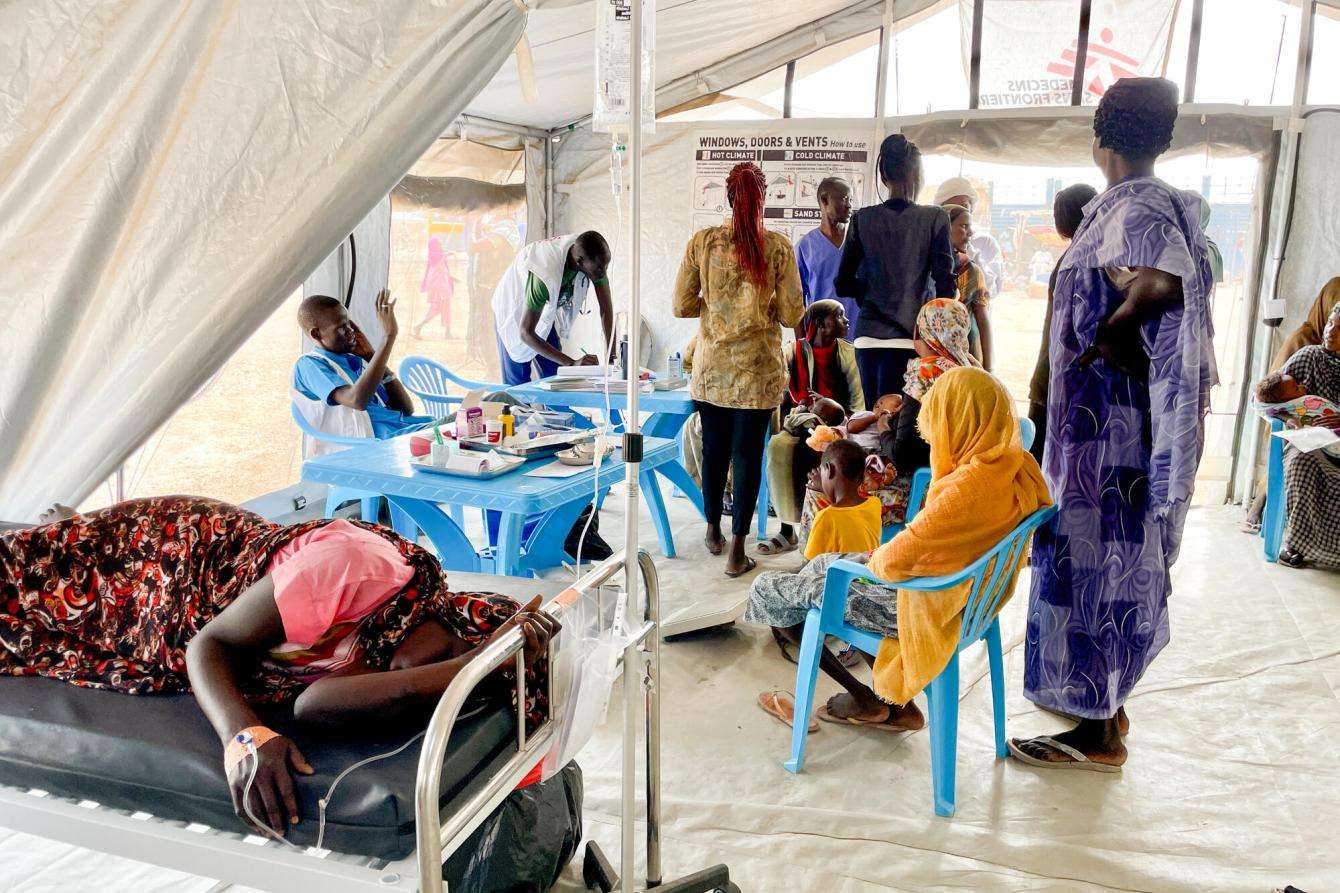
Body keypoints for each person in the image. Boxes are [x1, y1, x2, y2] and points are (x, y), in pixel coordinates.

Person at [0, 497, 558, 836]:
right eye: (439, 658)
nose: (401, 679)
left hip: (215, 605)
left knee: (40, 620)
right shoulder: (353, 573)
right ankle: (65, 528)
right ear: (450, 614)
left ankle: (61, 528)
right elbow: (208, 646)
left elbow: (316, 706)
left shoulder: (391, 651)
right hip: (178, 557)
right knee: (37, 572)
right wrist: (243, 735)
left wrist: (459, 672)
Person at [1013, 77, 1217, 772]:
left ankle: (1100, 731)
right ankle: (1101, 708)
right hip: (1098, 436)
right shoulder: (1146, 208)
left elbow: (1163, 283)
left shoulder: (1137, 213)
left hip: (1110, 444)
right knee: (1095, 573)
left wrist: (1118, 324)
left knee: (1101, 576)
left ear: (1101, 136)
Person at [747, 368, 1050, 730]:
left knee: (773, 589)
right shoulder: (1013, 465)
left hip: (927, 603)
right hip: (970, 599)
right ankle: (896, 706)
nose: (935, 434)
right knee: (825, 565)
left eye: (940, 419)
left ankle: (866, 698)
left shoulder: (967, 492)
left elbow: (891, 563)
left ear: (960, 420)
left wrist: (867, 559)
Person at [673, 161, 805, 578]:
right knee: (747, 456)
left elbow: (681, 305)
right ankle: (737, 550)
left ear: (728, 198)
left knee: (713, 449)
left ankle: (712, 528)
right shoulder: (778, 247)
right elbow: (791, 314)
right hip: (756, 375)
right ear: (762, 199)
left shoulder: (703, 243)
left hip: (711, 373)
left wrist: (716, 305)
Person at [836, 135, 955, 409]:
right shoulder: (935, 218)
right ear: (917, 174)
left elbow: (842, 283)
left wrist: (869, 294)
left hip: (867, 338)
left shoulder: (861, 219)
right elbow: (946, 286)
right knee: (907, 431)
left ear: (883, 174)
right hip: (913, 340)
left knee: (873, 420)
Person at [293, 291, 430, 445]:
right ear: (316, 334)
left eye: (350, 324)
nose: (351, 331)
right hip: (380, 442)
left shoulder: (357, 361)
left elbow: (405, 409)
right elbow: (357, 400)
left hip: (406, 430)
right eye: (342, 328)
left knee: (459, 422)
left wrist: (371, 356)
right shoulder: (309, 365)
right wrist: (388, 337)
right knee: (458, 425)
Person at [1264, 303, 1340, 569]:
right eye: (1330, 323)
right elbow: (1265, 398)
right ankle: (1295, 545)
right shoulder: (1308, 357)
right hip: (1310, 443)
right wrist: (1289, 419)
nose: (1331, 332)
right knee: (1301, 464)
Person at [1027, 183, 1098, 463]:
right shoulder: (1090, 258)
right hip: (1069, 376)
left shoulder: (1073, 260)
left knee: (1043, 460)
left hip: (1056, 373)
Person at [491, 231, 615, 386]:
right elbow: (525, 333)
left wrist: (612, 357)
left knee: (556, 380)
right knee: (518, 387)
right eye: (599, 269)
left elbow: (606, 309)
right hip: (514, 314)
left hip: (541, 313)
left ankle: (556, 409)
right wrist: (572, 364)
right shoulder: (544, 273)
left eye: (606, 266)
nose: (603, 273)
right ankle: (523, 408)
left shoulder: (592, 257)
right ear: (580, 261)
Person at [795, 178, 857, 339]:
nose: (849, 205)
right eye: (844, 199)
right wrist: (802, 345)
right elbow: (796, 302)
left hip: (858, 339)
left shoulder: (860, 242)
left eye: (850, 200)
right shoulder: (805, 247)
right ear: (824, 200)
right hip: (821, 341)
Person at [934, 176, 1006, 298]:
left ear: (971, 209)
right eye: (951, 209)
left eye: (964, 207)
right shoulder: (930, 244)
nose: (958, 212)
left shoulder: (984, 242)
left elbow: (990, 291)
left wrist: (968, 255)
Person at [944, 204, 993, 369]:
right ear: (943, 228)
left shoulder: (970, 269)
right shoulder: (922, 266)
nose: (970, 233)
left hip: (968, 358)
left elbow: (983, 320)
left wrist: (989, 368)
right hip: (935, 358)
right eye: (964, 226)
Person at [414, 236, 454, 338]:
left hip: (443, 288)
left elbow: (444, 272)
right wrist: (447, 254)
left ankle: (447, 332)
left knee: (445, 309)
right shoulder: (436, 257)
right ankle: (419, 326)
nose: (441, 246)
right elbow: (435, 276)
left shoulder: (438, 257)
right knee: (436, 309)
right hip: (440, 290)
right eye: (439, 244)